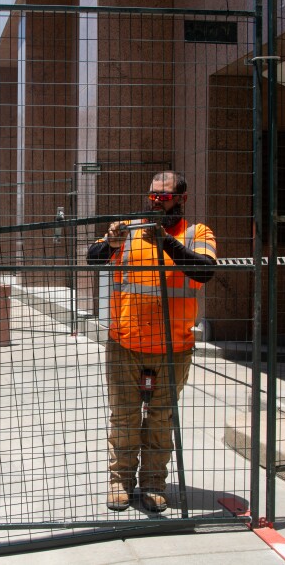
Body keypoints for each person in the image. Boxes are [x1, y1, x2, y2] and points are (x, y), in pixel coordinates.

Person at [87, 171, 217, 513]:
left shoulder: (196, 233)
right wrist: (109, 244)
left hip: (174, 346)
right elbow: (92, 258)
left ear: (181, 199)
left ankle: (153, 484)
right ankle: (120, 482)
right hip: (125, 342)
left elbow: (205, 270)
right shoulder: (127, 229)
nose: (156, 202)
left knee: (161, 418)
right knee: (125, 417)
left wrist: (166, 243)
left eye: (164, 197)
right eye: (152, 196)